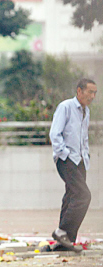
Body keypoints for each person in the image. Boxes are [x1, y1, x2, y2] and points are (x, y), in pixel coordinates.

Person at [48, 78, 97, 252]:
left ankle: (66, 241)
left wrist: (85, 156)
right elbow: (55, 134)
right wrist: (65, 155)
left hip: (81, 160)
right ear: (79, 91)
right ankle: (61, 231)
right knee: (83, 195)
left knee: (71, 195)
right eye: (89, 92)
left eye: (94, 93)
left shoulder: (86, 111)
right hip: (67, 159)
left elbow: (83, 136)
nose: (92, 96)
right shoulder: (66, 107)